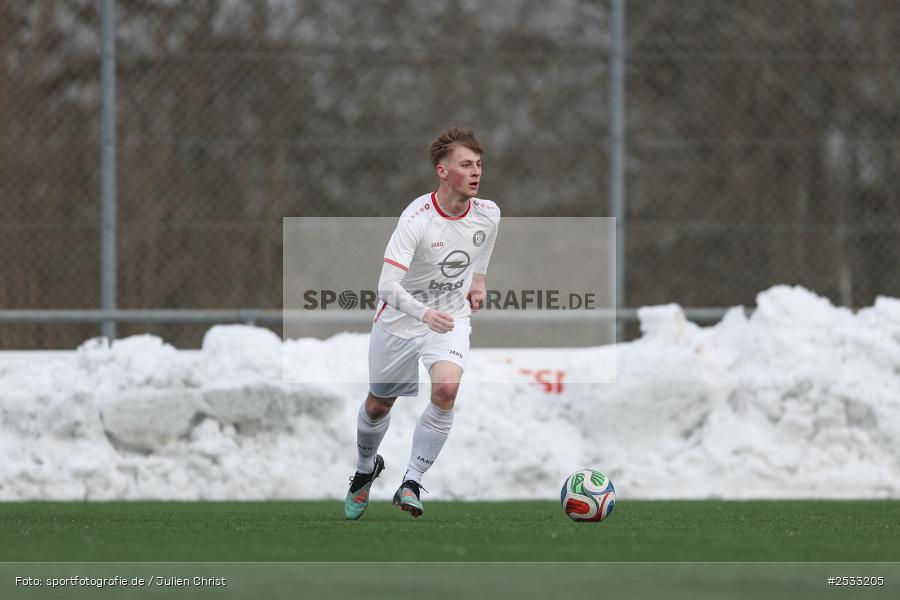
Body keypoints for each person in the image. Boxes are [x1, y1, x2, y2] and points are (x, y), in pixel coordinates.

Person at [344, 127, 500, 519]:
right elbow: (386, 286)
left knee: (446, 389)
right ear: (442, 171)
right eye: (466, 164)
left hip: (450, 319)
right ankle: (365, 471)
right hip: (399, 322)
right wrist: (424, 313)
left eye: (478, 164)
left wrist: (478, 281)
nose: (476, 172)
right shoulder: (416, 220)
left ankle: (411, 482)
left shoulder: (488, 213)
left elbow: (482, 247)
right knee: (379, 404)